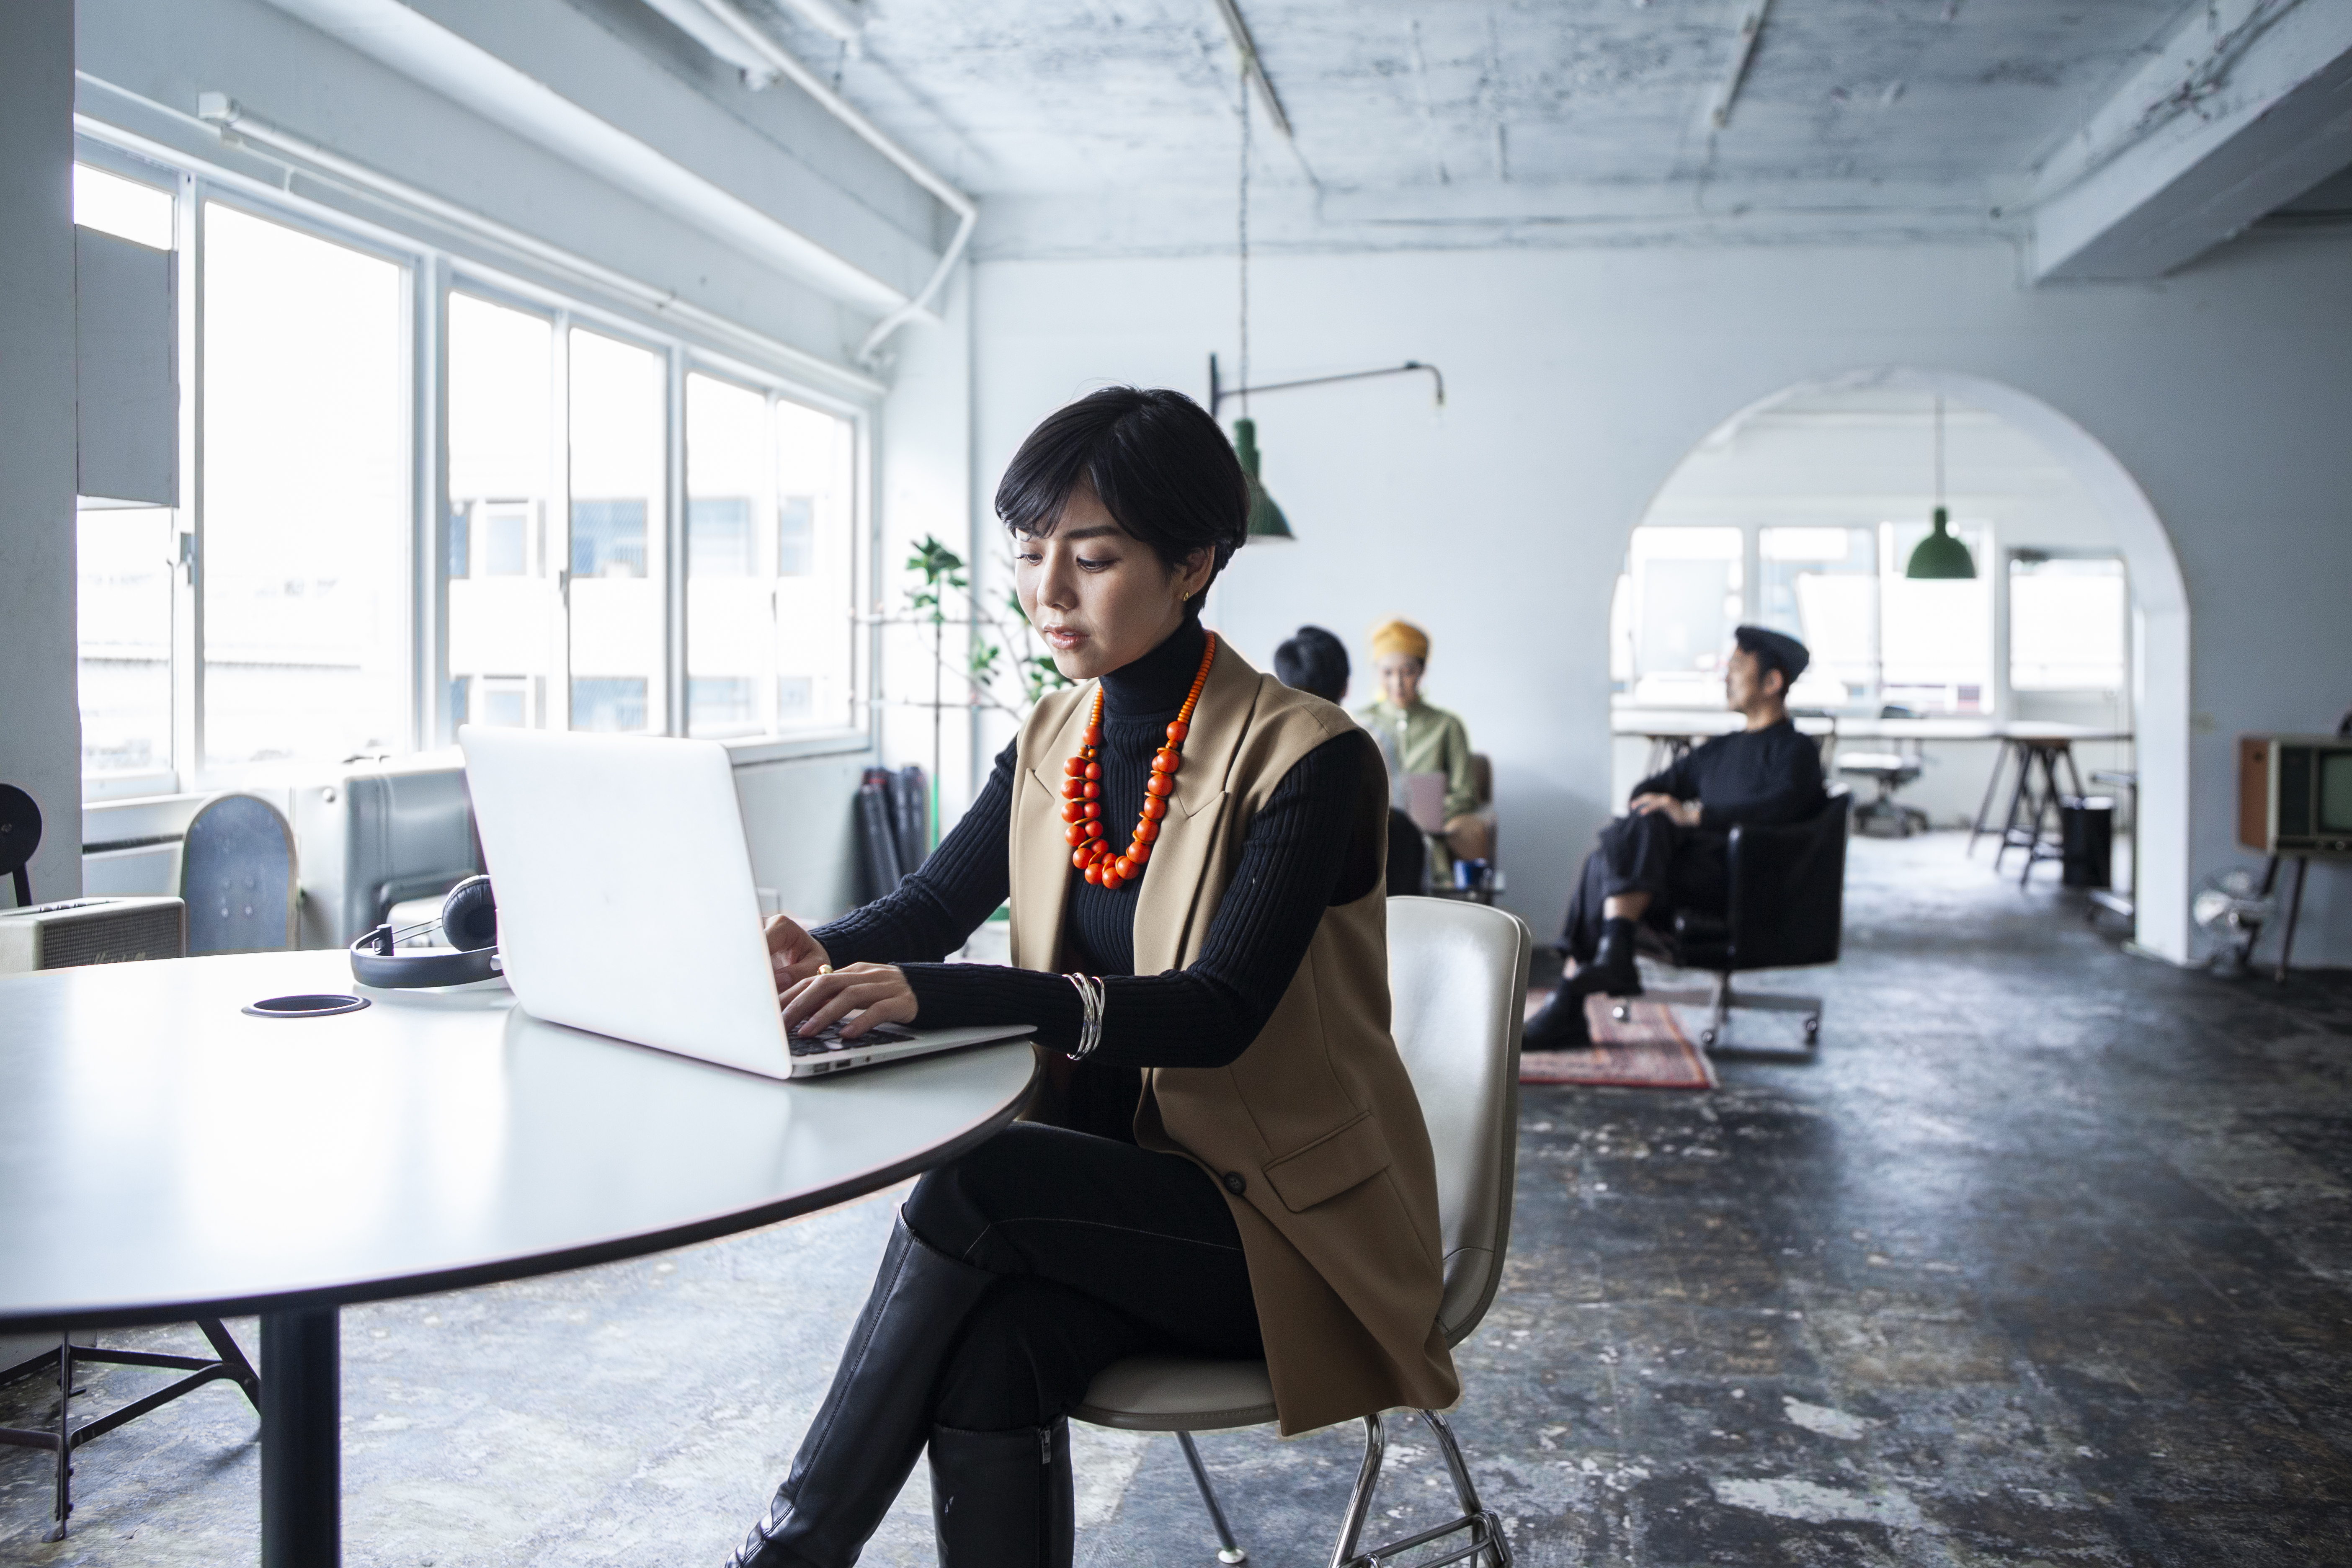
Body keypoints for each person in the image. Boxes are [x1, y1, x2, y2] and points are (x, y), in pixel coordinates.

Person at [730, 389, 1456, 1568]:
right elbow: (926, 909)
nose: (1048, 593)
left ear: (1193, 564)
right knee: (992, 1349)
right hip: (1120, 1203)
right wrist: (818, 947)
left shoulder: (1312, 756)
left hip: (1283, 1229)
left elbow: (1215, 1015)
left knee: (982, 1180)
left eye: (1095, 557)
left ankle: (789, 1551)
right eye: (1029, 554)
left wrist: (952, 992)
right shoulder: (1053, 735)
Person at [1523, 624, 1824, 1049]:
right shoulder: (1720, 750)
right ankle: (1610, 955)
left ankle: (1580, 992)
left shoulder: (1796, 753)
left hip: (1741, 877)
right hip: (1677, 873)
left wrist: (1693, 817)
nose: (1726, 677)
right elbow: (1645, 792)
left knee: (1618, 850)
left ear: (1773, 682)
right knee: (1631, 835)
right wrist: (1665, 811)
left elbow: (1782, 810)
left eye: (1738, 667)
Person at [1274, 624, 1425, 895]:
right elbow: (1394, 814)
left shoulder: (1262, 741)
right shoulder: (1372, 737)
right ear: (1346, 686)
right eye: (1388, 672)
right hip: (1361, 888)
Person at [1355, 619, 1492, 871]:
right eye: (1388, 673)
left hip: (1429, 836)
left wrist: (1429, 816)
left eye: (1407, 672)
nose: (1397, 683)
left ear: (1422, 671)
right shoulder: (1360, 722)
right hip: (1371, 835)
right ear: (1377, 672)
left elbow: (1466, 792)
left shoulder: (1447, 725)